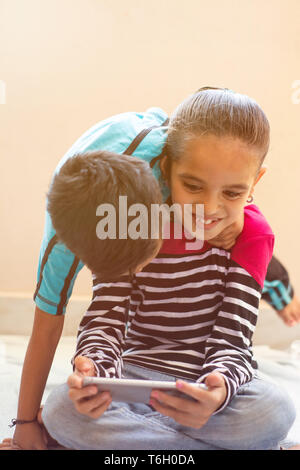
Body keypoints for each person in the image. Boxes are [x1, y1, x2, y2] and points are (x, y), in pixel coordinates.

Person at [1, 88, 297, 451]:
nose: (209, 208)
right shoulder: (126, 220)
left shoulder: (251, 232)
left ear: (255, 183)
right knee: (65, 408)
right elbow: (106, 319)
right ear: (167, 170)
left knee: (276, 411)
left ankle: (134, 442)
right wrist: (95, 369)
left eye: (233, 193)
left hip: (209, 381)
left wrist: (218, 390)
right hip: (138, 376)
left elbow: (232, 340)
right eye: (192, 186)